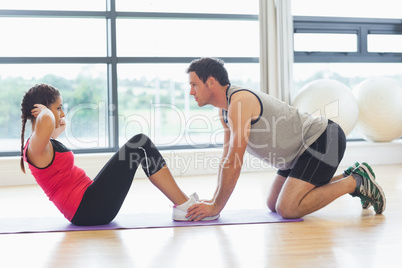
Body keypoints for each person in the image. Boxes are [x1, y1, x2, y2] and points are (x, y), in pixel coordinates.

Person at [183, 57, 386, 221]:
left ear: (210, 82)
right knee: (273, 203)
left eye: (194, 85)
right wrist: (214, 199)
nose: (191, 91)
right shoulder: (225, 110)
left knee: (287, 208)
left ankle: (356, 182)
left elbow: (235, 161)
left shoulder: (240, 101)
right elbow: (227, 158)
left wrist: (217, 206)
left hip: (323, 139)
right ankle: (351, 175)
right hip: (298, 153)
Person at [20, 83, 218, 225]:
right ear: (41, 111)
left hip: (89, 203)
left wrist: (51, 113)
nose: (62, 113)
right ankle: (185, 206)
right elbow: (47, 120)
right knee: (140, 144)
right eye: (59, 107)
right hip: (89, 209)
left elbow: (58, 125)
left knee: (140, 146)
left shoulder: (42, 143)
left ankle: (183, 204)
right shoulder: (35, 147)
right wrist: (46, 110)